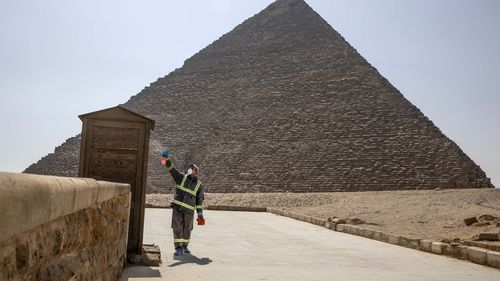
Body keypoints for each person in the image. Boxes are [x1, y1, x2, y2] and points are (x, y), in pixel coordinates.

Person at [161, 149, 205, 256]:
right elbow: (172, 170)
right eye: (190, 168)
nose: (190, 169)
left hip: (189, 211)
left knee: (187, 229)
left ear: (196, 172)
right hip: (177, 208)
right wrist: (166, 160)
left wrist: (200, 214)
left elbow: (199, 201)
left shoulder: (199, 185)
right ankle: (178, 248)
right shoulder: (181, 178)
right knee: (177, 227)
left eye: (192, 168)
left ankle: (185, 247)